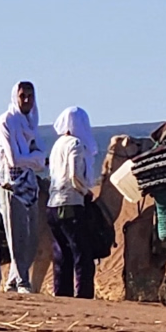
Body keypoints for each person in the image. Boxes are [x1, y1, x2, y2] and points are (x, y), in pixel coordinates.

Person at [0, 81, 47, 293]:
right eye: (22, 96)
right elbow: (14, 159)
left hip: (29, 186)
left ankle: (14, 281)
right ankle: (23, 281)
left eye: (30, 96)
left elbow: (41, 160)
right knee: (16, 236)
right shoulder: (6, 121)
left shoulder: (31, 122)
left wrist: (33, 159)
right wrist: (33, 158)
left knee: (32, 237)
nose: (26, 100)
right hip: (10, 185)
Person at [46, 106, 99, 298]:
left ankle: (62, 294)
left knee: (61, 254)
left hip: (53, 205)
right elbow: (76, 175)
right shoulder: (76, 145)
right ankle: (83, 296)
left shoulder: (57, 145)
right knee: (81, 253)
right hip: (71, 204)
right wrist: (85, 192)